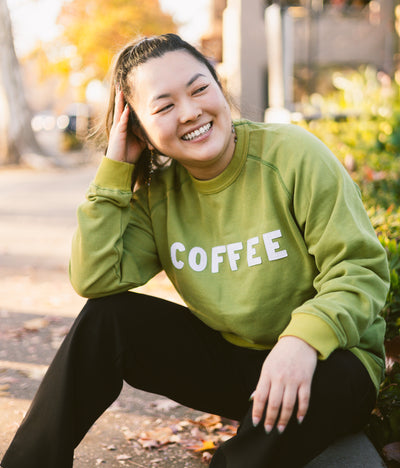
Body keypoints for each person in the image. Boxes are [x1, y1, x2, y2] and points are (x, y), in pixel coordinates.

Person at [1, 33, 389, 468]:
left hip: (329, 363)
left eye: (199, 89)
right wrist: (114, 170)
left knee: (323, 388)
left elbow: (359, 269)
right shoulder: (160, 196)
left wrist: (301, 340)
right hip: (239, 368)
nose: (190, 113)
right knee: (105, 319)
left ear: (219, 88)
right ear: (140, 130)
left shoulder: (293, 155)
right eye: (164, 106)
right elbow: (94, 278)